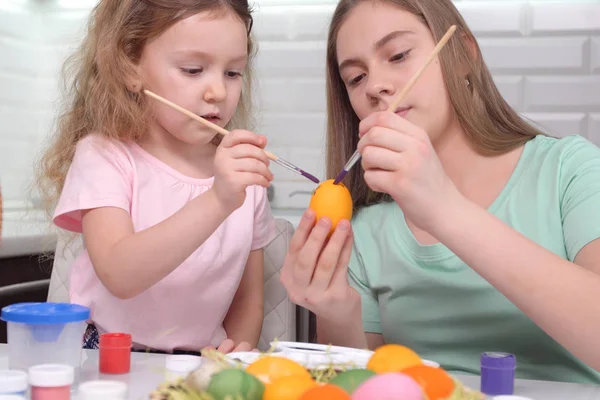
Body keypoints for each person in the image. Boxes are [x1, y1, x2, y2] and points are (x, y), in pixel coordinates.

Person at [281, 0, 600, 384]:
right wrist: (337, 312)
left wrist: (444, 210)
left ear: (464, 55)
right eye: (355, 78)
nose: (376, 86)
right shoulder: (364, 227)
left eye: (398, 55)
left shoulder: (570, 170)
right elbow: (366, 386)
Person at [35, 0, 277, 355]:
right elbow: (120, 274)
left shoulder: (242, 178)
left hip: (201, 361)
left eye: (233, 72)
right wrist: (218, 200)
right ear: (130, 68)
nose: (219, 93)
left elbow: (248, 298)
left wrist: (237, 355)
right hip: (106, 357)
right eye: (193, 70)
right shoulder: (104, 156)